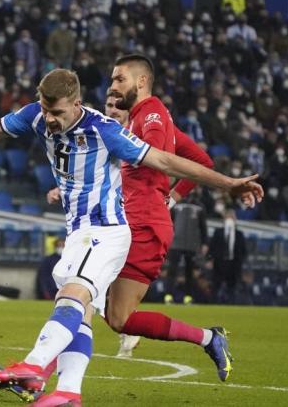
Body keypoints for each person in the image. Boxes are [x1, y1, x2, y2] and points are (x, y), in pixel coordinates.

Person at [0, 68, 262, 405]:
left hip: (107, 232)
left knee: (74, 295)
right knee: (85, 312)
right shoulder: (37, 116)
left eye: (56, 112)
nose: (50, 120)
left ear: (76, 103)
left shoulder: (104, 130)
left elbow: (166, 161)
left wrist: (228, 184)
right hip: (79, 232)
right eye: (45, 109)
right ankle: (69, 392)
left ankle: (34, 366)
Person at [100, 54, 238, 383]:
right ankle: (209, 338)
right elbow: (201, 160)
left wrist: (168, 197)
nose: (113, 86)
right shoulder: (141, 118)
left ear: (141, 81)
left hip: (143, 226)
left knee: (93, 298)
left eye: (119, 79)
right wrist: (173, 197)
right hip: (133, 222)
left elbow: (154, 157)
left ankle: (43, 374)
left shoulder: (152, 114)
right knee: (109, 312)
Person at [165, 192, 208, 305]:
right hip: (176, 242)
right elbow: (169, 223)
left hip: (191, 244)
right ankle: (168, 295)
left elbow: (203, 227)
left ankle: (188, 297)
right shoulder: (176, 203)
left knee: (189, 272)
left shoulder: (200, 206)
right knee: (172, 270)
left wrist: (204, 243)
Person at [209, 209, 247, 303]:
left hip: (234, 264)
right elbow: (212, 247)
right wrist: (210, 259)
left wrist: (240, 262)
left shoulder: (239, 234)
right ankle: (212, 305)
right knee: (216, 286)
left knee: (232, 288)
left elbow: (243, 251)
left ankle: (232, 304)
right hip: (219, 263)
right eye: (228, 217)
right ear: (224, 219)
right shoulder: (218, 232)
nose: (230, 219)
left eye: (232, 217)